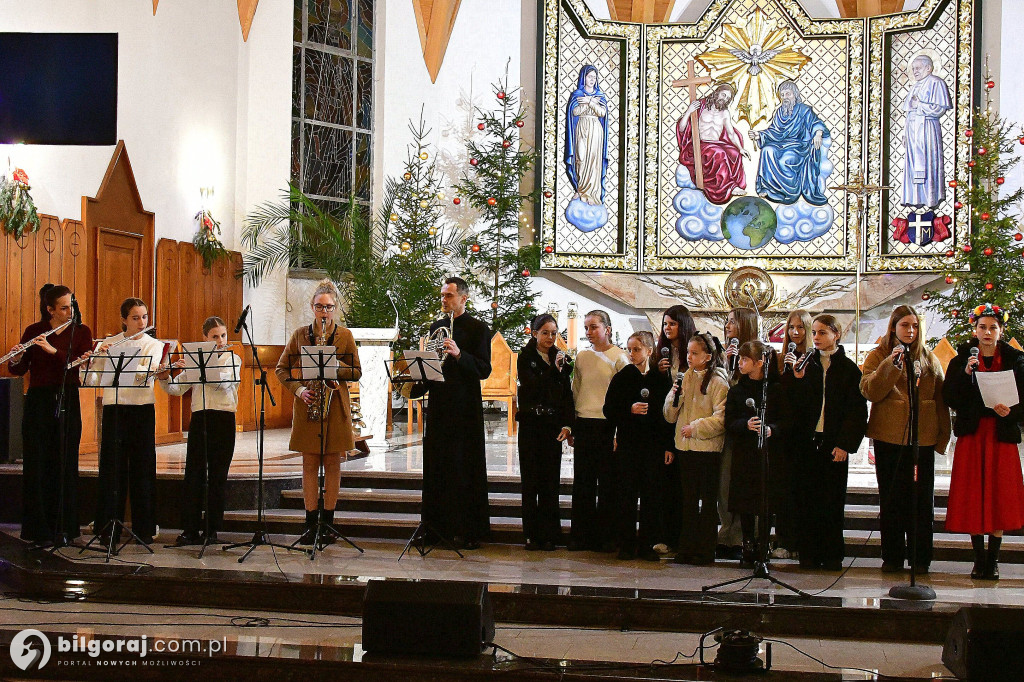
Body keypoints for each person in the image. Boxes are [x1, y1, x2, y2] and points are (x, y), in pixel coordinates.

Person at [860, 305, 950, 574]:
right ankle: (893, 557)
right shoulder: (879, 356)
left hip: (921, 439)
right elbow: (871, 391)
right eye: (904, 326)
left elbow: (940, 400)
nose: (910, 331)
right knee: (892, 500)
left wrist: (942, 435)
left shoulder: (928, 357)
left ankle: (920, 558)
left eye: (914, 326)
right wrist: (892, 364)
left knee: (921, 502)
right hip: (889, 439)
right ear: (893, 328)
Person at [276, 279, 362, 547]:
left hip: (335, 405)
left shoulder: (344, 336)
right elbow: (281, 369)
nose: (324, 312)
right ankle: (310, 522)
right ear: (312, 307)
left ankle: (329, 522)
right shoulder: (300, 335)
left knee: (333, 463)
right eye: (319, 307)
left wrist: (336, 368)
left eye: (329, 307)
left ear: (335, 308)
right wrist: (300, 390)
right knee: (310, 464)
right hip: (308, 404)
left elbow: (356, 371)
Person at [942, 303, 1024, 580]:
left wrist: (1011, 411)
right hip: (973, 435)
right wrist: (966, 374)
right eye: (982, 327)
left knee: (999, 493)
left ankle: (994, 559)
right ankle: (978, 559)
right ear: (974, 330)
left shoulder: (1016, 359)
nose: (987, 332)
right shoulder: (962, 359)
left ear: (1001, 331)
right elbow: (950, 397)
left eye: (993, 327)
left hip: (1001, 436)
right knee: (973, 492)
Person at [410, 277, 493, 549]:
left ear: (463, 298)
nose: (444, 300)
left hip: (465, 407)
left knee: (463, 467)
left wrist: (459, 354)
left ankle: (468, 530)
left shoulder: (479, 329)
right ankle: (435, 528)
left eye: (449, 296)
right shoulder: (437, 328)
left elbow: (484, 370)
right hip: (440, 405)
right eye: (443, 295)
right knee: (438, 467)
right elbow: (432, 367)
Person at [8, 284, 93, 545]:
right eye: (64, 307)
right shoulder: (35, 331)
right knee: (38, 463)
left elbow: (75, 363)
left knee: (64, 462)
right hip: (39, 401)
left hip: (67, 397)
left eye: (72, 305)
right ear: (50, 309)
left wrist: (53, 350)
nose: (70, 311)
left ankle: (65, 528)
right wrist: (16, 357)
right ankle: (38, 529)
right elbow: (20, 369)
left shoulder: (81, 332)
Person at [788, 314, 867, 571]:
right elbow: (795, 408)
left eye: (822, 332)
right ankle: (808, 553)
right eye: (814, 333)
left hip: (834, 443)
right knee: (807, 500)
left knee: (831, 502)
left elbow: (856, 412)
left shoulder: (848, 368)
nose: (816, 338)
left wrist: (845, 444)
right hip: (808, 443)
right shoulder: (805, 365)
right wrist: (797, 381)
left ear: (836, 334)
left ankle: (832, 554)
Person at [89, 297, 170, 545]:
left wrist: (162, 371)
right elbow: (92, 379)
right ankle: (107, 530)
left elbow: (151, 375)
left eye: (144, 317)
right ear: (123, 320)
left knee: (143, 469)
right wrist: (97, 358)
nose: (141, 322)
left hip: (142, 409)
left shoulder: (154, 344)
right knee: (111, 469)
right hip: (115, 409)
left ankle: (144, 529)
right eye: (135, 318)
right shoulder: (109, 343)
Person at [161, 317, 241, 546]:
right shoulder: (194, 360)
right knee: (194, 475)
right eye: (214, 336)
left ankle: (212, 529)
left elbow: (224, 384)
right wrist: (165, 377)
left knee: (218, 476)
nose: (220, 341)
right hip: (200, 417)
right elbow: (176, 389)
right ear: (205, 337)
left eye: (223, 335)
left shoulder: (232, 359)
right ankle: (190, 529)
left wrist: (202, 368)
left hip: (223, 418)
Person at [603, 331, 673, 561]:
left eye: (636, 349)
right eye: (629, 349)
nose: (631, 354)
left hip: (652, 447)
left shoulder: (660, 379)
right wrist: (628, 410)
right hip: (629, 446)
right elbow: (609, 409)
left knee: (651, 496)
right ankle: (626, 544)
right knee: (627, 495)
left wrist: (667, 447)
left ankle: (646, 545)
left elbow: (667, 417)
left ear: (650, 351)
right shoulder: (623, 376)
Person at [665, 332, 729, 565]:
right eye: (688, 353)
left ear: (707, 356)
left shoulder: (718, 382)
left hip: (707, 451)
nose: (689, 357)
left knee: (708, 502)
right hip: (686, 449)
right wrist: (674, 396)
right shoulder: (684, 378)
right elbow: (670, 416)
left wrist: (696, 427)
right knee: (688, 501)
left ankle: (705, 550)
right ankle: (687, 548)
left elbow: (722, 419)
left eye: (694, 353)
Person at [569, 309, 629, 552]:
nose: (588, 332)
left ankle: (606, 538)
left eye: (593, 327)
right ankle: (581, 537)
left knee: (607, 483)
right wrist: (571, 425)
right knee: (583, 482)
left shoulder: (620, 357)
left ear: (607, 329)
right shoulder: (582, 356)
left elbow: (623, 397)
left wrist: (618, 431)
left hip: (607, 424)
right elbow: (576, 390)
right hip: (584, 422)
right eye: (586, 327)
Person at [516, 314, 574, 551]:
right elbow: (533, 386)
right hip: (531, 424)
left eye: (554, 333)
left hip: (552, 425)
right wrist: (555, 369)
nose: (550, 338)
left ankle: (551, 534)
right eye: (545, 333)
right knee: (531, 482)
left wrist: (568, 424)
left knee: (550, 482)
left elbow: (566, 394)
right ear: (534, 333)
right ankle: (531, 533)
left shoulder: (561, 359)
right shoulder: (525, 357)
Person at [725, 340, 784, 568]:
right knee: (746, 501)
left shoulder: (775, 390)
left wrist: (771, 429)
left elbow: (786, 422)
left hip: (769, 453)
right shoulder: (737, 391)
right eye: (739, 358)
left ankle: (763, 544)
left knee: (766, 500)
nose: (740, 363)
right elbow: (729, 421)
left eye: (745, 359)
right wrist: (745, 424)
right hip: (745, 453)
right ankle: (747, 543)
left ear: (760, 363)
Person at [772, 309, 814, 559]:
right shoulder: (781, 358)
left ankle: (801, 541)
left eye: (800, 328)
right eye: (791, 328)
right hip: (783, 432)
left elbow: (810, 397)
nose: (795, 332)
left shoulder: (813, 358)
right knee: (783, 490)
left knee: (802, 489)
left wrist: (799, 375)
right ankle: (784, 540)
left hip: (804, 432)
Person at [655, 305, 697, 551]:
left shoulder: (695, 349)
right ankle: (667, 536)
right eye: (665, 324)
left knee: (687, 487)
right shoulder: (662, 353)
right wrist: (659, 374)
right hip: (667, 424)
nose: (667, 328)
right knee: (668, 486)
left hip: (690, 423)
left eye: (672, 323)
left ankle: (687, 539)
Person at [749, 80, 832, 206]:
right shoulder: (779, 113)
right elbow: (774, 131)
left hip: (799, 146)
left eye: (788, 94)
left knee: (785, 160)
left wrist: (818, 133)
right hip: (781, 144)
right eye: (782, 95)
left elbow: (816, 122)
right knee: (767, 150)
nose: (785, 97)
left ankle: (789, 192)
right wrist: (759, 135)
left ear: (795, 94)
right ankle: (769, 189)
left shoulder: (804, 110)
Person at [718, 307, 759, 559]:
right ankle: (726, 534)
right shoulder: (724, 354)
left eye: (733, 322)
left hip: (748, 430)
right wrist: (726, 362)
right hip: (726, 426)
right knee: (724, 483)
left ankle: (746, 537)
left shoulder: (758, 352)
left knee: (747, 486)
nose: (728, 326)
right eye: (727, 321)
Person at [676, 82, 749, 205]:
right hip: (700, 146)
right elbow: (682, 128)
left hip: (716, 144)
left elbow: (731, 134)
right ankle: (729, 186)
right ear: (717, 93)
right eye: (723, 95)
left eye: (727, 98)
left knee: (734, 153)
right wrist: (689, 111)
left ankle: (727, 184)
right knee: (718, 153)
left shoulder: (725, 113)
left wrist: (740, 148)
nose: (724, 99)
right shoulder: (700, 106)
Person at [901, 54, 952, 209]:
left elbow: (939, 109)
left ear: (929, 68)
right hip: (912, 130)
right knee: (912, 165)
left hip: (927, 129)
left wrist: (920, 105)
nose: (915, 71)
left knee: (928, 162)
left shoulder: (936, 83)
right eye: (913, 68)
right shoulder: (914, 86)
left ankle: (930, 197)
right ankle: (915, 197)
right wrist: (905, 133)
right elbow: (909, 111)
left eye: (918, 68)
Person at [565, 64, 610, 206]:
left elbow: (602, 113)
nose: (592, 80)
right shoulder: (576, 95)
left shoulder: (599, 96)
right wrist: (589, 104)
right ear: (583, 78)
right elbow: (574, 112)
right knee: (581, 158)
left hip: (596, 130)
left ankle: (592, 194)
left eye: (594, 77)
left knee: (594, 161)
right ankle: (580, 189)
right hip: (582, 128)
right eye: (589, 76)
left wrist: (590, 101)